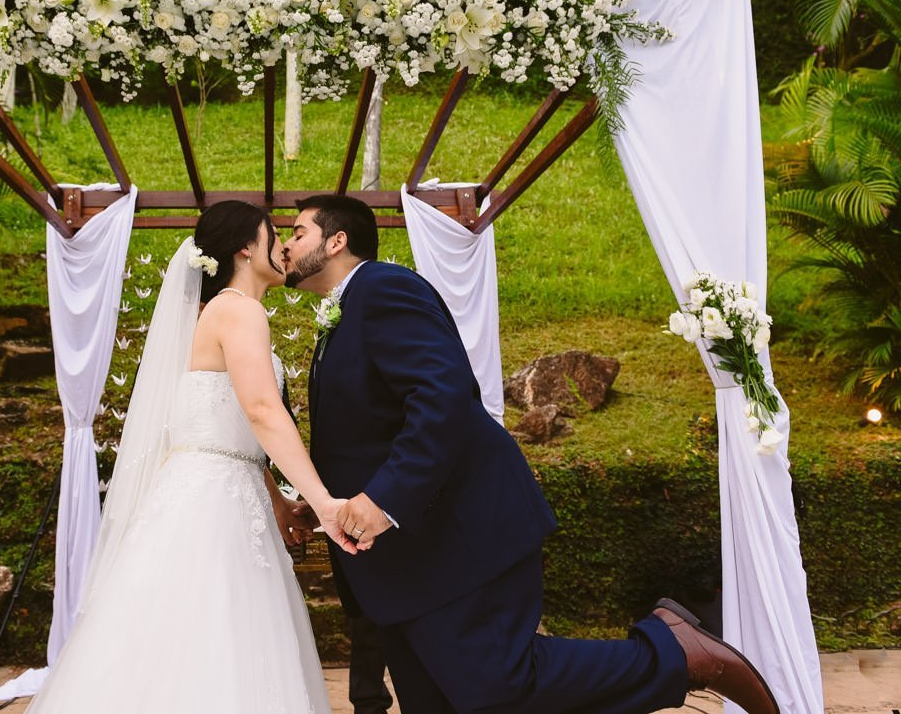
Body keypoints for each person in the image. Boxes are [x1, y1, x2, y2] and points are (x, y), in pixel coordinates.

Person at [282, 194, 780, 714]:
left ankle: (676, 653)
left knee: (501, 685)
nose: (289, 246)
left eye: (298, 233)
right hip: (401, 565)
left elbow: (442, 398)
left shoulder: (384, 287)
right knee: (432, 702)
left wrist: (382, 501)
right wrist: (320, 503)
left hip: (455, 539)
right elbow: (364, 433)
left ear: (337, 240)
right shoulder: (340, 314)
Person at [26, 200, 356, 714]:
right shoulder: (238, 310)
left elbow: (228, 436)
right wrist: (325, 504)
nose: (285, 247)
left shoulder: (220, 312)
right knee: (215, 638)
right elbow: (265, 411)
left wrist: (279, 502)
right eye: (275, 235)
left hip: (222, 490)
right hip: (212, 511)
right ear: (246, 248)